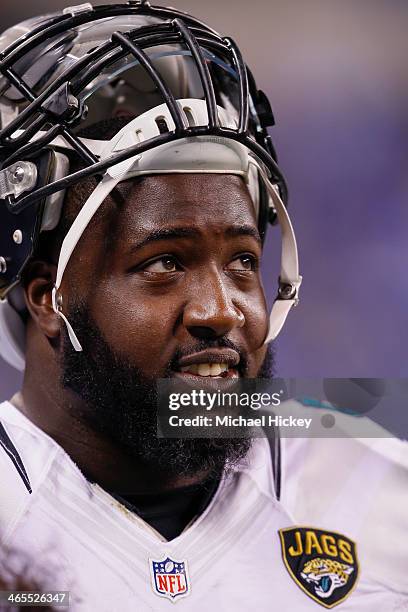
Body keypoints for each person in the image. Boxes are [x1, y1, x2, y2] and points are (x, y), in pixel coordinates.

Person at [0, 2, 406, 610]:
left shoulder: (375, 488)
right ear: (47, 299)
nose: (223, 311)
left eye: (243, 260)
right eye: (164, 262)